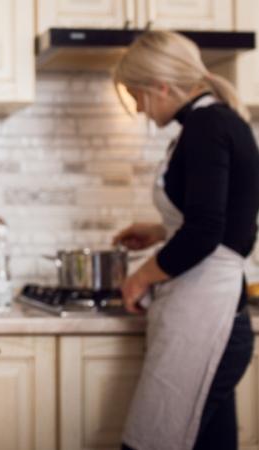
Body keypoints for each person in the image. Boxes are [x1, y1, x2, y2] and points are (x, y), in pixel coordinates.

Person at [112, 31, 259, 450]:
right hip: (211, 313)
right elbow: (223, 220)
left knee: (152, 440)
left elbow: (205, 231)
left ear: (162, 86)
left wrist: (140, 277)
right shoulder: (211, 122)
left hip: (209, 316)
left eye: (137, 94)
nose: (138, 108)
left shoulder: (207, 126)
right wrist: (159, 231)